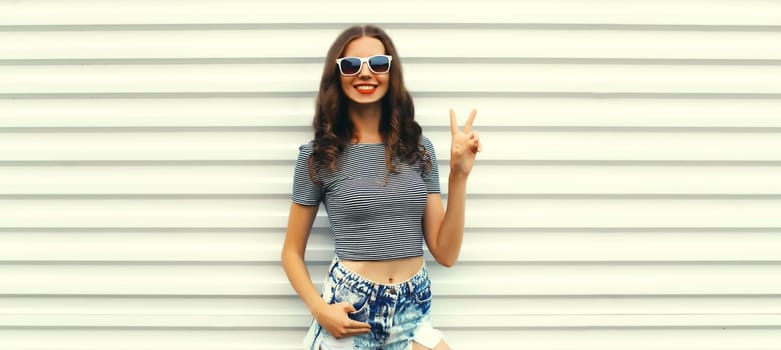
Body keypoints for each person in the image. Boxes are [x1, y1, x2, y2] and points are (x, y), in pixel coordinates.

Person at [281, 24, 481, 350]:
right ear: (337, 75)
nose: (365, 74)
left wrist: (459, 176)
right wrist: (320, 310)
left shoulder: (418, 148)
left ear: (391, 73)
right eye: (351, 65)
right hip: (350, 312)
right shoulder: (318, 156)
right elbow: (291, 253)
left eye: (377, 64)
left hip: (413, 311)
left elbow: (445, 253)